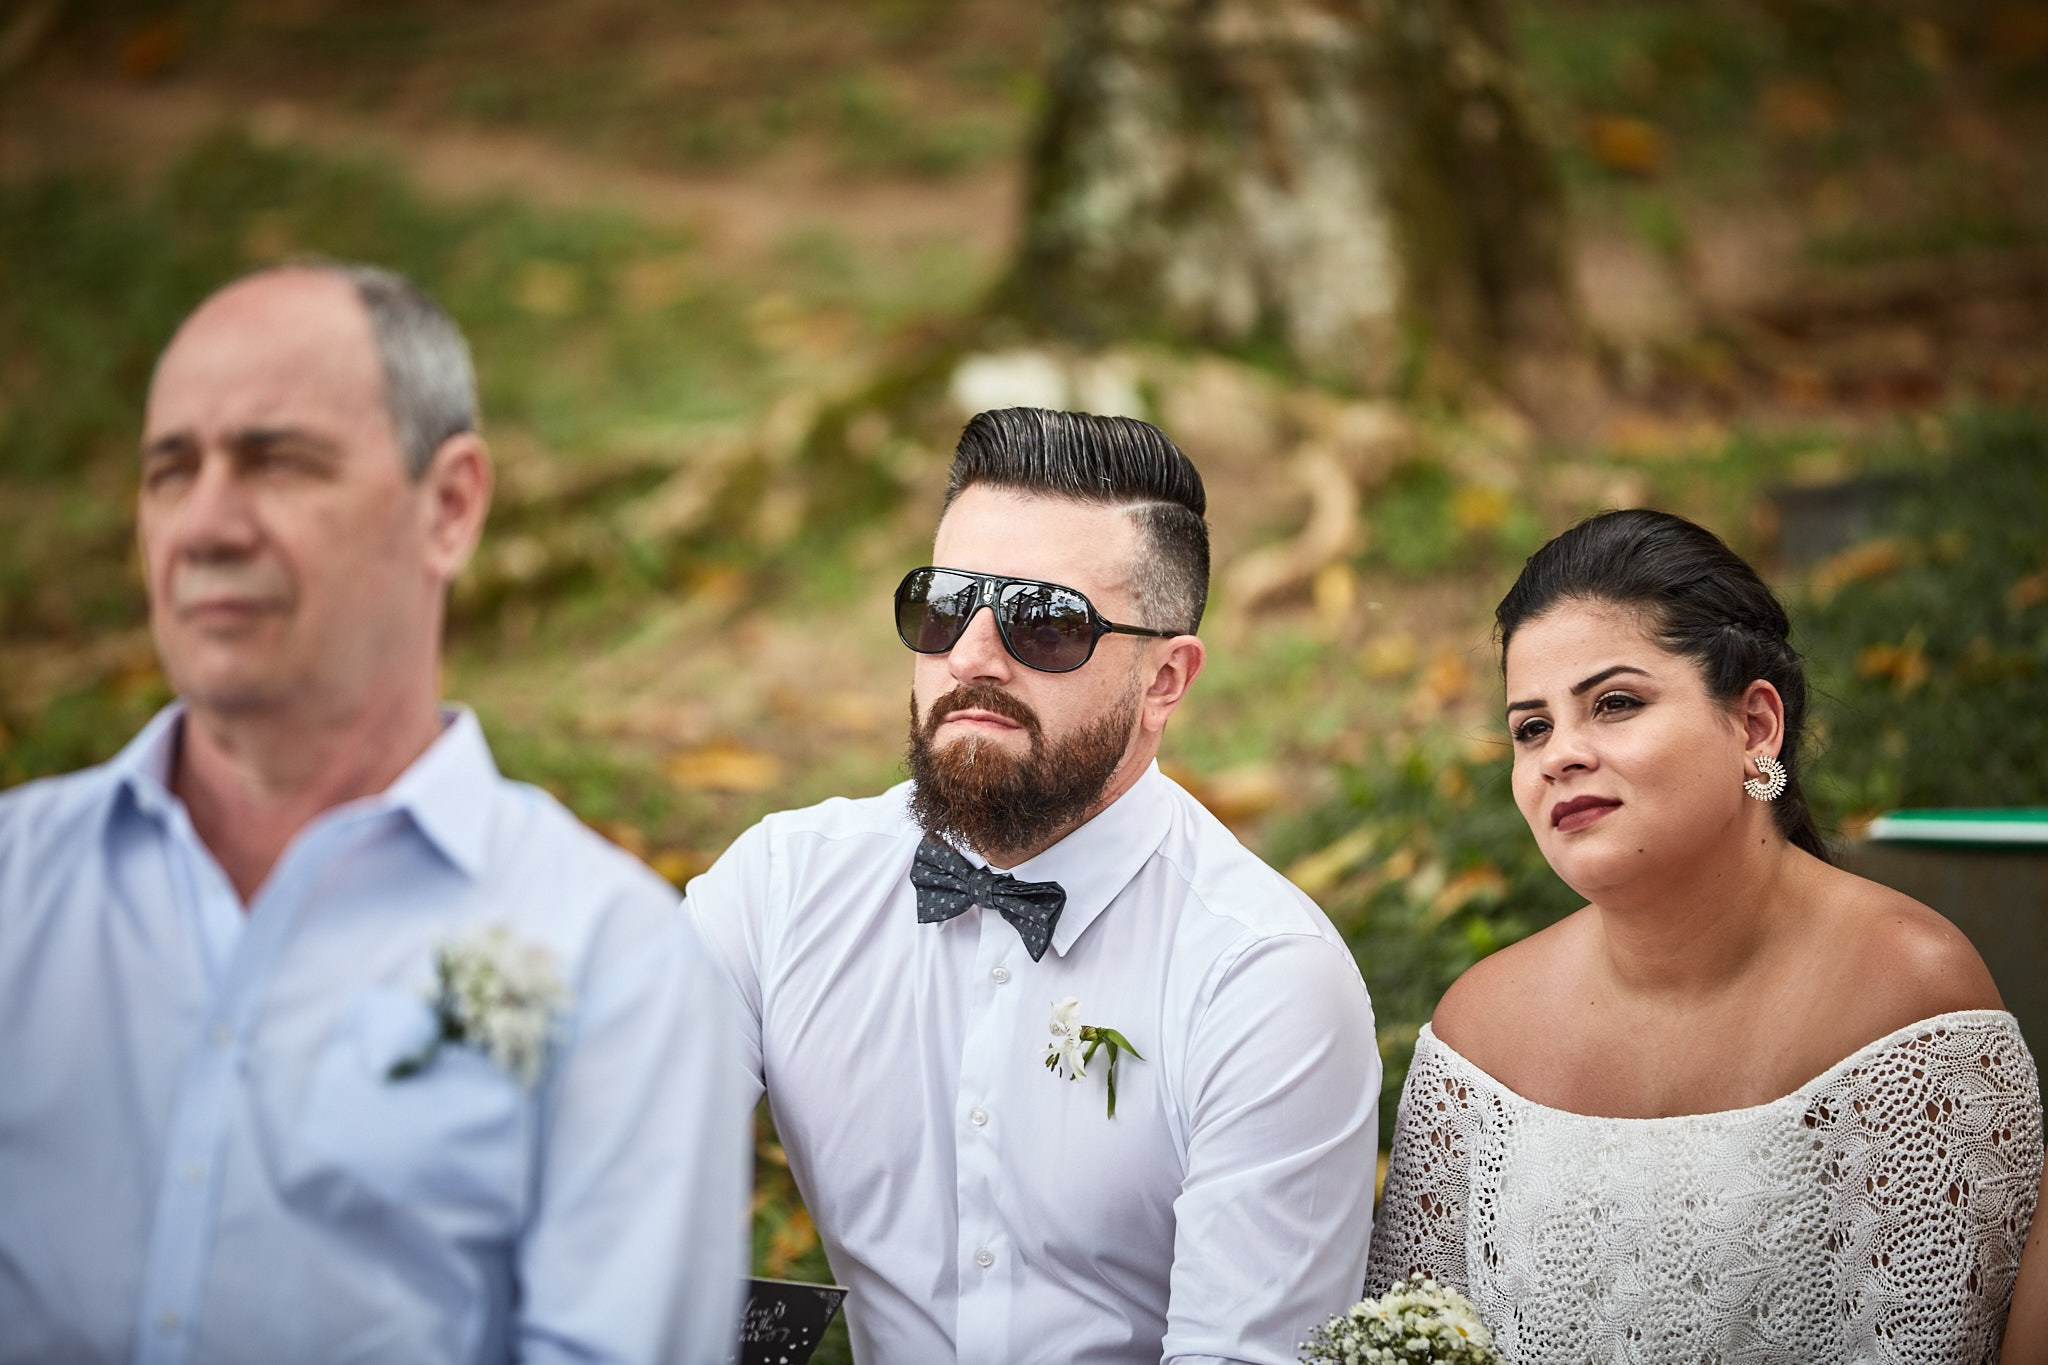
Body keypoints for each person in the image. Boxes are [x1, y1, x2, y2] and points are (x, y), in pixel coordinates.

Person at [0, 263, 750, 1364]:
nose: (204, 524)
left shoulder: (614, 962)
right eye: (171, 472)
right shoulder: (18, 886)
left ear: (447, 508)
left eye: (277, 462)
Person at [686, 406, 1381, 1363]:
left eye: (1045, 623)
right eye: (941, 605)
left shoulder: (1263, 980)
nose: (971, 655)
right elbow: (611, 1183)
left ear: (1166, 679)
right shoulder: (777, 892)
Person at [1367, 508, 2043, 1361]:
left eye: (1614, 703)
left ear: (1755, 725)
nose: (1558, 754)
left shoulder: (1907, 999)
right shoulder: (1478, 1038)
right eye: (1531, 727)